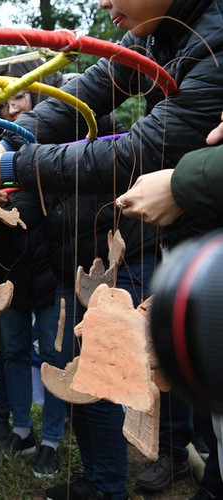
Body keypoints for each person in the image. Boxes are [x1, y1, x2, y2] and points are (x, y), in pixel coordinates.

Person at [0, 1, 223, 498]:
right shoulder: (155, 34)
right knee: (88, 374)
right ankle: (105, 479)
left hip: (141, 260)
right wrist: (9, 161)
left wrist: (15, 165)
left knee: (135, 371)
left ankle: (151, 465)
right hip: (82, 265)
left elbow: (141, 152)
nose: (101, 2)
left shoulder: (212, 40)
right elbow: (91, 85)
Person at [0, 59, 66, 479]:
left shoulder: (50, 143)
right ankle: (22, 429)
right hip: (11, 273)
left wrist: (7, 207)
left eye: (20, 96)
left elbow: (44, 203)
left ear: (35, 97)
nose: (13, 108)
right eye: (5, 102)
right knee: (14, 351)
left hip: (52, 268)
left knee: (54, 356)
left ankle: (53, 440)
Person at [118, 111, 223, 500]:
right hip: (177, 257)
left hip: (200, 263)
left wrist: (178, 189)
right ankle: (179, 452)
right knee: (174, 362)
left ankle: (200, 458)